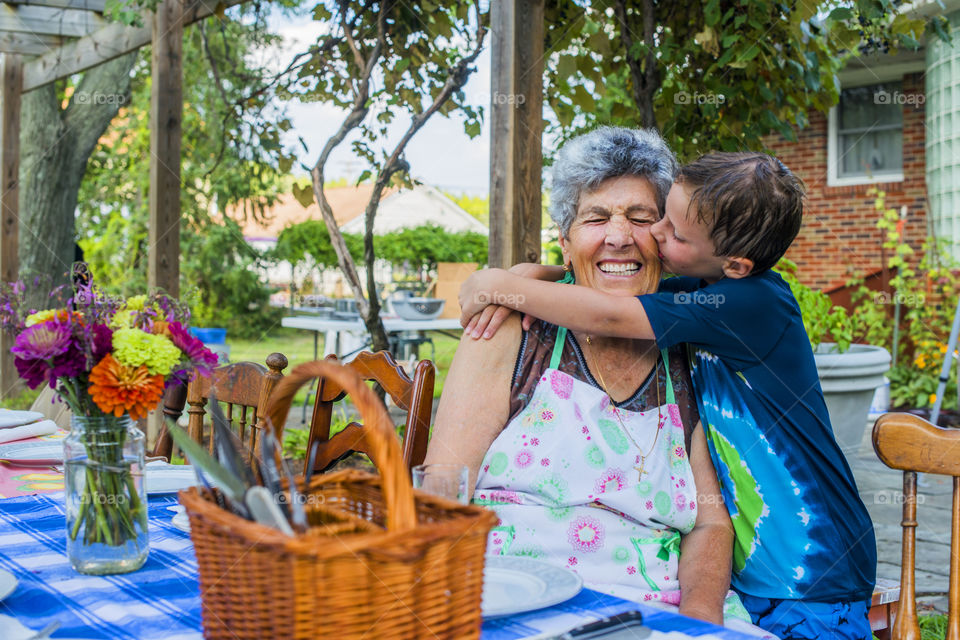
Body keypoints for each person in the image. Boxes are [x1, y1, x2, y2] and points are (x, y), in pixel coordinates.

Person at [459, 144, 877, 640]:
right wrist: (533, 274)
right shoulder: (704, 292)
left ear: (735, 264)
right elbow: (609, 289)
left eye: (661, 225)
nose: (645, 235)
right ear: (566, 240)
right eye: (597, 219)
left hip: (811, 564)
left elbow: (611, 313)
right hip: (758, 570)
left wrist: (498, 284)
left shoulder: (739, 308)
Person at [425, 127, 775, 638]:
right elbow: (443, 485)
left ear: (666, 240)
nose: (618, 236)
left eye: (640, 217)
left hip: (653, 609)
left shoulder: (693, 350)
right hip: (509, 598)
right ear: (565, 244)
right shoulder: (511, 330)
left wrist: (699, 627)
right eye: (595, 218)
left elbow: (710, 522)